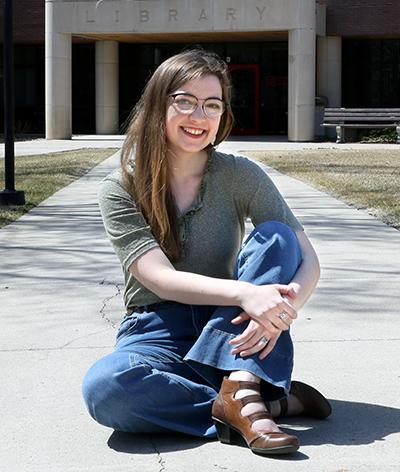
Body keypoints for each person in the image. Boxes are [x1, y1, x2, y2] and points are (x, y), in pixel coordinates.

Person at [82, 49, 331, 456]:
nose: (199, 116)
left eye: (212, 105)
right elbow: (160, 278)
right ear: (158, 104)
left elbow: (307, 258)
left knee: (278, 236)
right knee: (106, 389)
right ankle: (261, 403)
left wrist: (279, 314)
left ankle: (240, 385)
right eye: (185, 101)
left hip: (230, 324)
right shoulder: (120, 187)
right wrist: (245, 293)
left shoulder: (240, 174)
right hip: (156, 329)